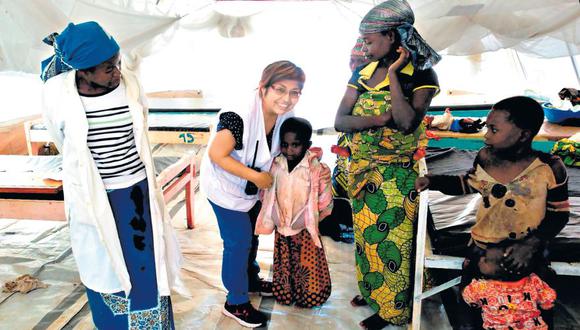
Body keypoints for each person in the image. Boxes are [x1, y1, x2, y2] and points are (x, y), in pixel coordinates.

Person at [40, 22, 181, 329]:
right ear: (83, 71)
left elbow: (140, 127)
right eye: (107, 68)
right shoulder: (57, 93)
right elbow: (63, 140)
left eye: (117, 62)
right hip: (94, 196)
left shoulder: (130, 84)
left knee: (146, 268)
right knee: (105, 268)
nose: (117, 72)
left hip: (136, 193)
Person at [415, 96, 570, 328]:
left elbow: (559, 214)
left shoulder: (549, 168)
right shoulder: (486, 158)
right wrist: (432, 181)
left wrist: (531, 245)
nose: (486, 135)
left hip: (527, 253)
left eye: (494, 129)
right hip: (483, 249)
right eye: (487, 127)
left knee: (534, 310)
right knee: (474, 307)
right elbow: (469, 183)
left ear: (524, 135)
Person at [334, 0, 441, 328]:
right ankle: (372, 292)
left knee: (394, 243)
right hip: (363, 172)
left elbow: (407, 123)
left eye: (369, 40)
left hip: (396, 177)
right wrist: (380, 118)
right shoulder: (361, 73)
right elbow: (340, 120)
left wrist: (394, 75)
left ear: (393, 37)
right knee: (366, 239)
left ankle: (393, 309)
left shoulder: (421, 74)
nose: (364, 48)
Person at [200, 61, 330, 328]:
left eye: (295, 92)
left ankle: (250, 279)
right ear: (263, 87)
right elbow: (217, 154)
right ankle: (235, 301)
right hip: (226, 188)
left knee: (253, 236)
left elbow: (292, 145)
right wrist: (256, 177)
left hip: (255, 188)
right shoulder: (238, 116)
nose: (287, 99)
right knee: (237, 243)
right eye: (280, 90)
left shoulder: (285, 114)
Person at [255, 117, 333, 308]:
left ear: (308, 145)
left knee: (306, 266)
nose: (289, 150)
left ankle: (308, 298)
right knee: (284, 264)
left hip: (305, 229)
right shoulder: (275, 165)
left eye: (295, 145)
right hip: (282, 226)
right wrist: (273, 216)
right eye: (285, 144)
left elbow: (325, 200)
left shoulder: (316, 169)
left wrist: (313, 220)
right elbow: (265, 192)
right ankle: (286, 295)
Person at [462, 246, 557, 330]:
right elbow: (548, 301)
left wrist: (467, 271)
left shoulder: (480, 288)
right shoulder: (533, 282)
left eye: (486, 260)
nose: (481, 259)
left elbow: (470, 300)